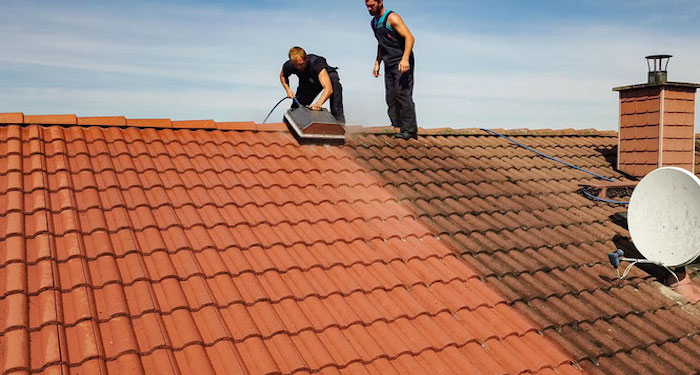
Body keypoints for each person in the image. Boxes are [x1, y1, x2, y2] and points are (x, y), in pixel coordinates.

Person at [366, 0, 417, 140]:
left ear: (380, 2)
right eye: (367, 6)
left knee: (402, 93)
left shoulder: (392, 17)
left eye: (372, 5)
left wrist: (405, 58)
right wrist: (377, 62)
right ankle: (399, 127)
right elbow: (381, 44)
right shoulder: (374, 23)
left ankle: (410, 130)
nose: (369, 8)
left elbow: (410, 38)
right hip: (388, 62)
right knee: (391, 96)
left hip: (402, 61)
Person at [280, 47, 345, 123]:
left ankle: (339, 124)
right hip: (309, 80)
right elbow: (283, 76)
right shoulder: (289, 65)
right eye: (295, 65)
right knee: (297, 105)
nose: (298, 67)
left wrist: (319, 103)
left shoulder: (316, 63)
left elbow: (328, 89)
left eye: (301, 64)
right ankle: (293, 124)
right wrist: (288, 90)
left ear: (306, 59)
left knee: (334, 85)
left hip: (328, 77)